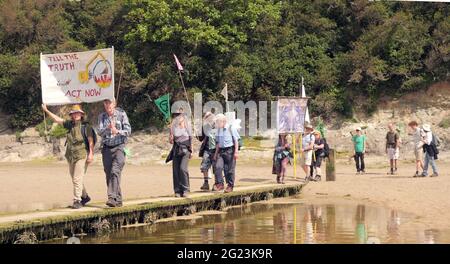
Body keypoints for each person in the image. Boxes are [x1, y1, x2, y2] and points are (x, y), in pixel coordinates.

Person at [42, 104, 94, 209]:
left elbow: (90, 141)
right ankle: (85, 196)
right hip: (70, 155)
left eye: (77, 113)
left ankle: (77, 201)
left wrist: (91, 154)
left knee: (76, 178)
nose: (76, 115)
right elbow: (57, 119)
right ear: (71, 115)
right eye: (74, 113)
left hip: (82, 154)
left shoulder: (86, 126)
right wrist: (46, 111)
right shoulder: (69, 124)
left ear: (81, 114)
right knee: (75, 178)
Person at [98, 98, 131, 207]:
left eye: (110, 103)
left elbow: (128, 131)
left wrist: (117, 131)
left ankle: (111, 197)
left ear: (114, 103)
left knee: (115, 171)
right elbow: (99, 132)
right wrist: (108, 128)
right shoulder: (102, 116)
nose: (108, 105)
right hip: (106, 148)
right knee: (109, 174)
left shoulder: (121, 114)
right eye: (106, 103)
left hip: (119, 147)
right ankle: (118, 200)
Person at [168, 108, 193, 197]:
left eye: (179, 115)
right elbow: (171, 140)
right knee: (176, 170)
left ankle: (186, 189)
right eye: (176, 115)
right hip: (176, 148)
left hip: (185, 148)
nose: (177, 117)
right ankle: (177, 190)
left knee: (183, 168)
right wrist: (171, 137)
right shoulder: (173, 125)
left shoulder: (187, 123)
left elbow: (190, 137)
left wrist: (191, 150)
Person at [213, 113, 240, 193]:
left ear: (223, 122)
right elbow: (217, 143)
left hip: (230, 150)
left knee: (230, 170)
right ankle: (220, 184)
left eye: (218, 122)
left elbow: (236, 140)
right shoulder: (218, 130)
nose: (216, 124)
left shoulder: (231, 128)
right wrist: (215, 154)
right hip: (221, 151)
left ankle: (230, 185)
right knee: (218, 167)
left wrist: (236, 152)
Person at [199, 112, 216, 191]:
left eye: (208, 116)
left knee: (216, 167)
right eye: (206, 117)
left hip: (216, 149)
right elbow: (200, 138)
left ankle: (217, 183)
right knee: (204, 166)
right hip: (207, 148)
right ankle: (206, 183)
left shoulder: (217, 125)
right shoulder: (205, 126)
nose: (207, 118)